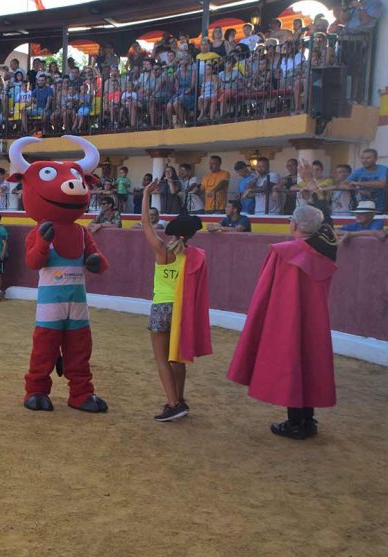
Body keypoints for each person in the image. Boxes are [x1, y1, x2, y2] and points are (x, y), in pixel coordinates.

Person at [228, 205, 339, 439]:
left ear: (296, 225)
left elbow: (267, 289)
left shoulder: (285, 252)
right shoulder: (327, 248)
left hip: (287, 317)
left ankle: (296, 423)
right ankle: (307, 420)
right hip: (315, 320)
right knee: (309, 363)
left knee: (291, 363)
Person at [139, 180, 211, 422]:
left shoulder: (163, 251)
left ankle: (173, 404)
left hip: (161, 307)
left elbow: (145, 224)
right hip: (181, 310)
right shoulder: (194, 256)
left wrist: (147, 194)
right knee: (177, 358)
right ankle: (180, 398)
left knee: (161, 359)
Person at [347, 149, 386, 214]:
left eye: (368, 158)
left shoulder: (382, 169)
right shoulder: (358, 171)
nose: (364, 161)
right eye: (362, 158)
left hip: (381, 208)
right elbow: (344, 184)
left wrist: (357, 183)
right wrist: (358, 190)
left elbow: (382, 184)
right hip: (362, 208)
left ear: (376, 158)